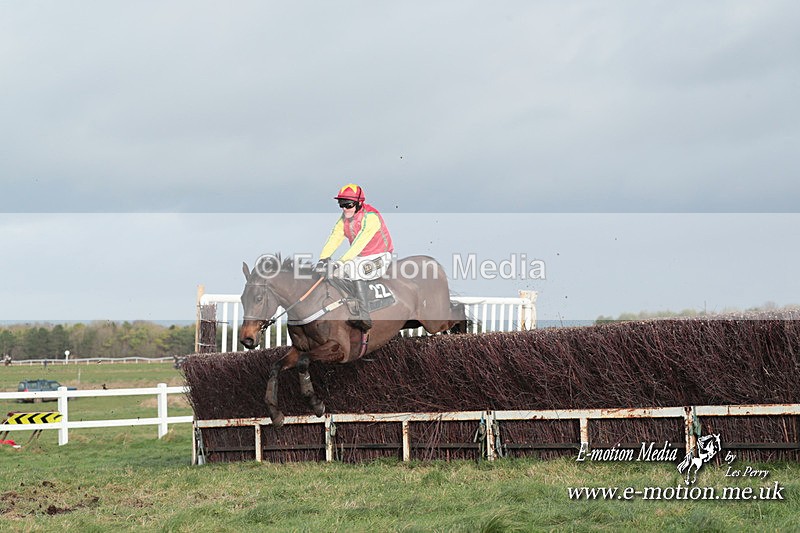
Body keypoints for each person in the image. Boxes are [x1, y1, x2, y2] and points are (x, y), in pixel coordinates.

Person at [315, 183, 394, 331]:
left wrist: (341, 262)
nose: (345, 209)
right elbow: (335, 237)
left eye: (348, 205)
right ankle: (351, 304)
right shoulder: (343, 218)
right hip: (361, 258)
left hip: (381, 256)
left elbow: (359, 244)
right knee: (333, 274)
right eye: (341, 205)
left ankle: (364, 316)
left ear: (359, 203)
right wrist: (323, 259)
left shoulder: (371, 217)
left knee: (353, 269)